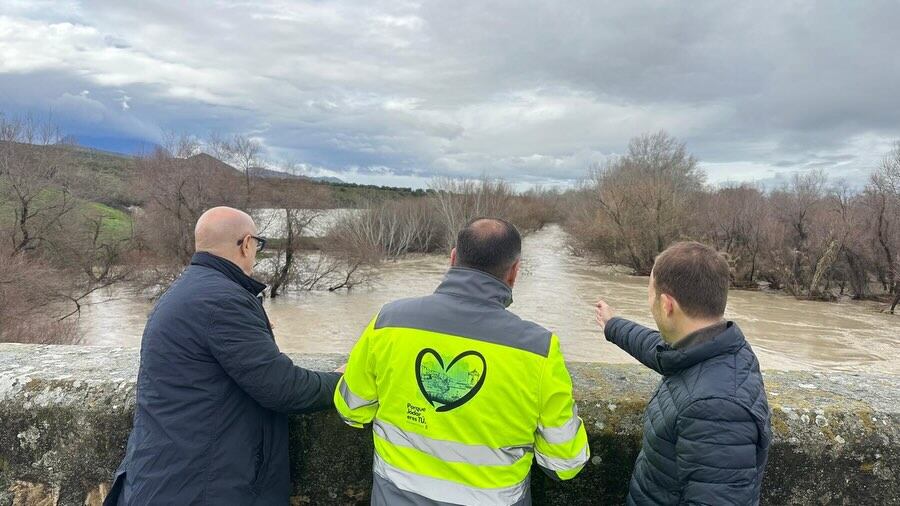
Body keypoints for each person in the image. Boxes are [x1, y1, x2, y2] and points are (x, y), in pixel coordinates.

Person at [335, 217, 589, 506]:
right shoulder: (539, 349)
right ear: (514, 272)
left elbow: (351, 409)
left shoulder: (389, 321)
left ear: (453, 258)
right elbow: (565, 463)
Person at [105, 207, 342, 505]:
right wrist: (344, 382)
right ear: (246, 244)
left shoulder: (190, 289)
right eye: (258, 244)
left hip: (170, 476)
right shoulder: (222, 301)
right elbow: (283, 388)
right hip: (199, 487)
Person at [595, 241, 771, 505]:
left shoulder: (716, 410)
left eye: (650, 292)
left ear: (667, 305)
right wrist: (613, 325)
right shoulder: (716, 346)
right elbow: (660, 351)